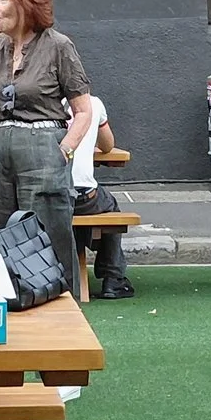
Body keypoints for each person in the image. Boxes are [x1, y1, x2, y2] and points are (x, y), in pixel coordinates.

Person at [0, 0, 94, 298]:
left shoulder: (58, 46)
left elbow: (83, 111)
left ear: (26, 2)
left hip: (43, 151)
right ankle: (2, 317)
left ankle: (62, 326)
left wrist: (62, 151)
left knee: (48, 240)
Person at [69, 93, 135, 300]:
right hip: (83, 197)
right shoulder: (93, 103)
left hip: (45, 193)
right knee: (109, 203)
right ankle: (113, 277)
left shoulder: (38, 103)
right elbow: (108, 145)